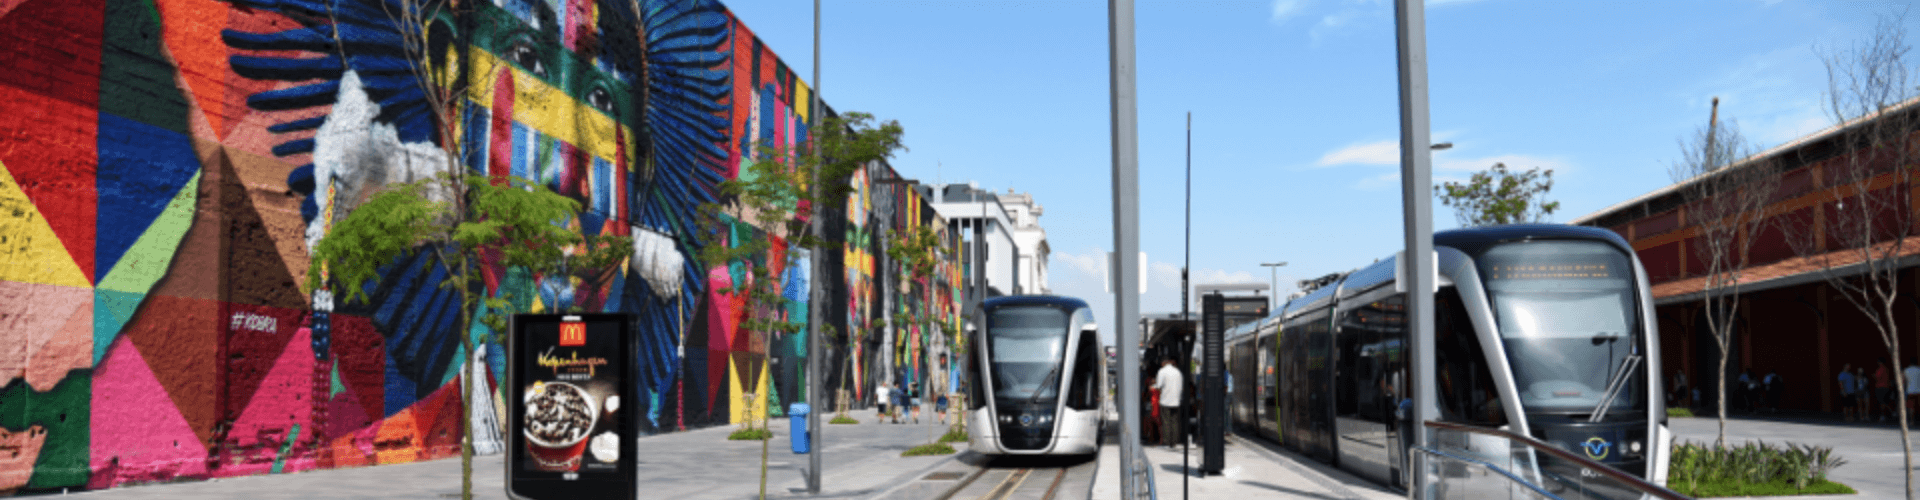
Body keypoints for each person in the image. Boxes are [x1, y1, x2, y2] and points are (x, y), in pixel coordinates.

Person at [1153, 358, 1185, 449]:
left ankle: (1166, 442)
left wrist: (1153, 387)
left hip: (1165, 400)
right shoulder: (1178, 372)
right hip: (1176, 400)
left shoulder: (1162, 371)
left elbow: (1158, 386)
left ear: (1163, 363)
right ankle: (1174, 442)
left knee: (1166, 421)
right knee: (1175, 421)